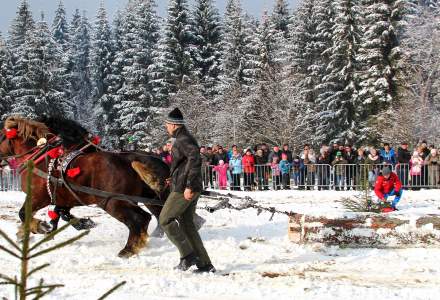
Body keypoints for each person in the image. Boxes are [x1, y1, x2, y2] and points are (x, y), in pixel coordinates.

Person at [159, 108, 215, 273]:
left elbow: (195, 159)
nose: (166, 126)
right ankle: (205, 264)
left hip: (184, 188)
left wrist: (189, 185)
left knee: (165, 220)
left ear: (174, 125)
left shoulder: (183, 139)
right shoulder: (181, 138)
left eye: (167, 124)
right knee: (187, 225)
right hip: (183, 184)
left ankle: (188, 255)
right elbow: (185, 164)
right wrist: (174, 176)